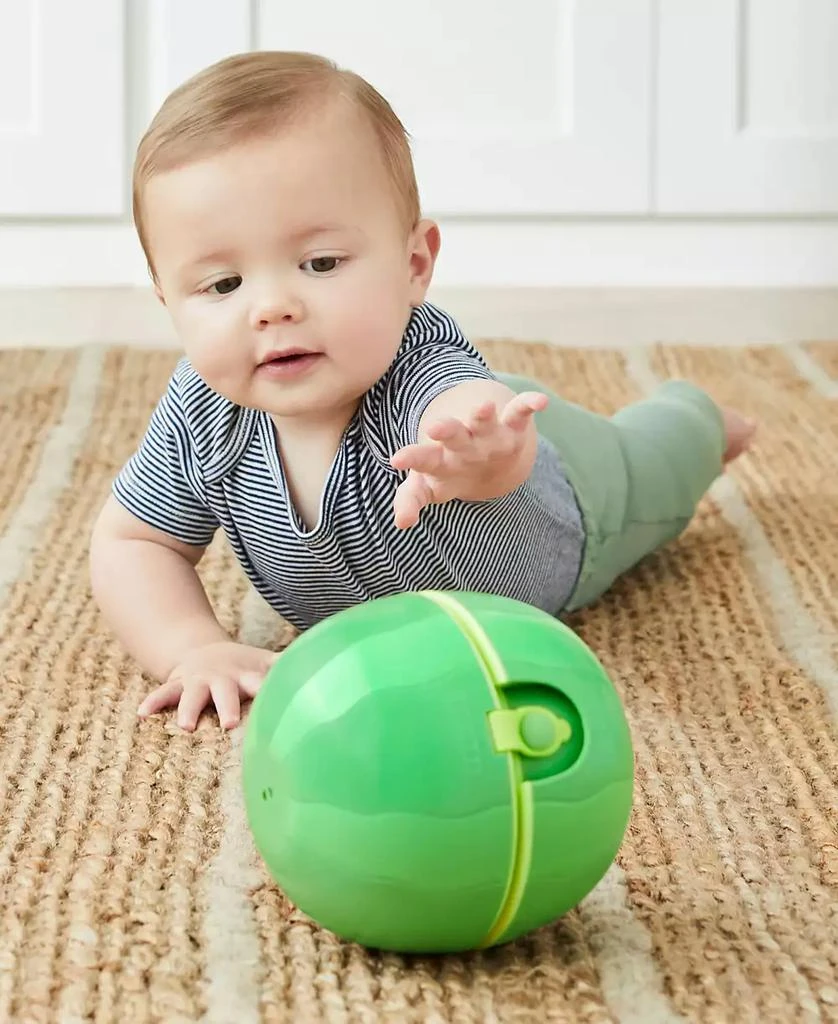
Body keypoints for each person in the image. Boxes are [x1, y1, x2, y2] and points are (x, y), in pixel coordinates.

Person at [89, 51, 755, 732]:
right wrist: (194, 648)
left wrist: (481, 448)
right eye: (223, 285)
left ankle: (702, 418)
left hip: (567, 495)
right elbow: (135, 543)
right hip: (488, 420)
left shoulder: (420, 365)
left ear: (414, 264)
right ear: (167, 297)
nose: (271, 307)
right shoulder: (202, 411)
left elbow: (463, 413)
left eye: (319, 263)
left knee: (657, 461)